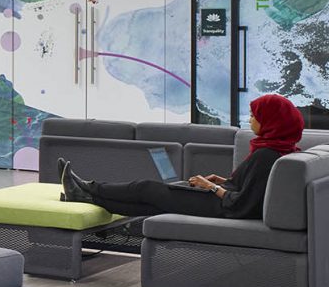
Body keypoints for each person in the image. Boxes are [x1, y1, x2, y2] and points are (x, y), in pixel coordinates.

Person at [60, 94, 305, 219]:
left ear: (271, 122)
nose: (250, 120)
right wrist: (222, 181)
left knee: (145, 189)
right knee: (150, 204)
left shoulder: (266, 155)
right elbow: (252, 189)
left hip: (221, 209)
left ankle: (89, 187)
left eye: (254, 116)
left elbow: (243, 204)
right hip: (221, 203)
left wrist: (210, 187)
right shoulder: (281, 148)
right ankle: (84, 196)